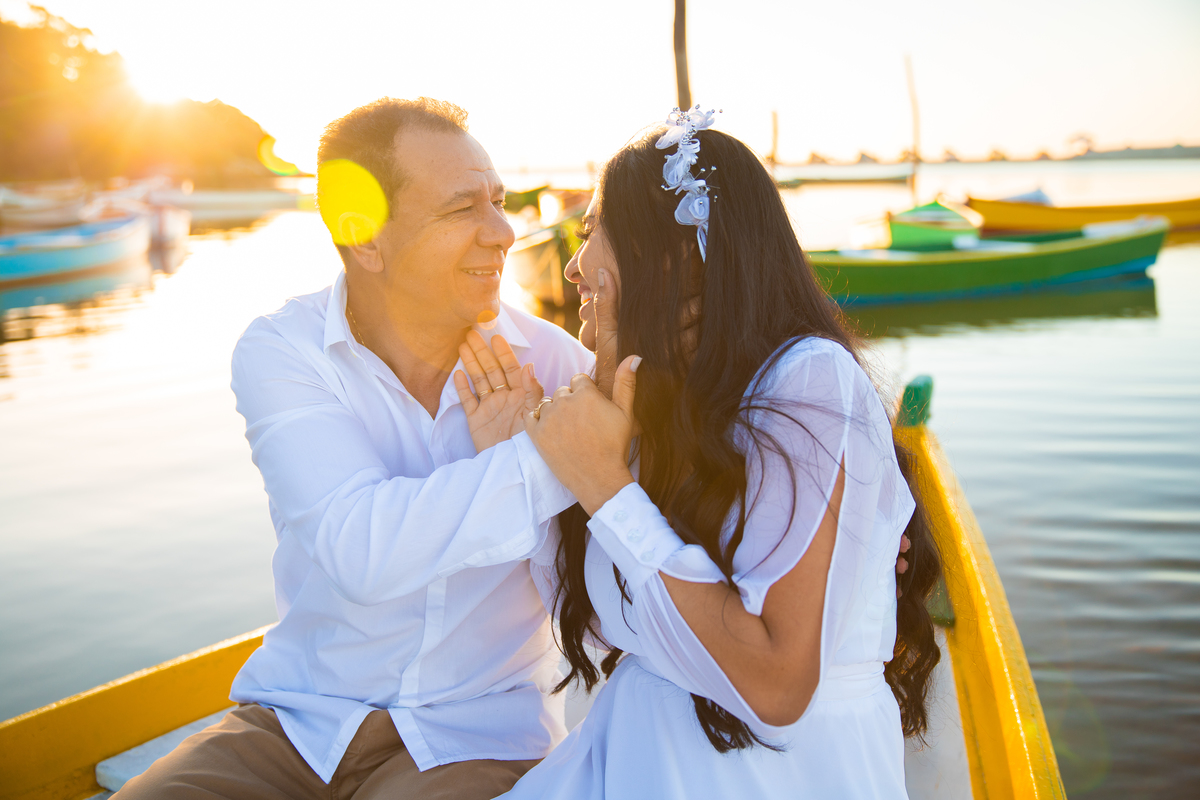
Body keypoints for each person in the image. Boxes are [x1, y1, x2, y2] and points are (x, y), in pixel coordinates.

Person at [114, 98, 595, 799]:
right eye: (463, 209)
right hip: (300, 723)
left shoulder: (558, 367)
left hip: (476, 735)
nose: (502, 232)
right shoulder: (285, 351)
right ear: (364, 238)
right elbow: (357, 548)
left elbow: (600, 592)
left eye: (498, 201)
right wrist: (534, 459)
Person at [490, 109, 944, 799]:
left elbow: (775, 689)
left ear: (668, 256)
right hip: (630, 763)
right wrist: (522, 467)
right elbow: (607, 630)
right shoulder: (652, 399)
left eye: (592, 235)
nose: (576, 268)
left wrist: (608, 490)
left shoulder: (809, 383)